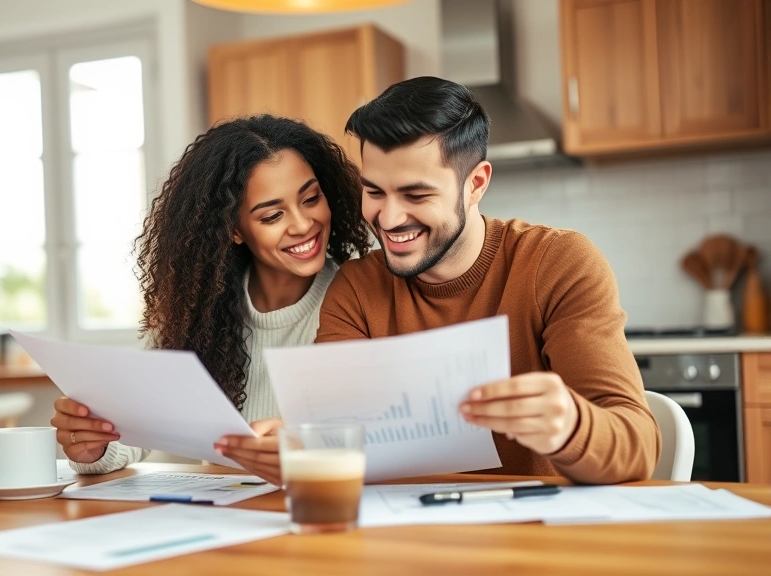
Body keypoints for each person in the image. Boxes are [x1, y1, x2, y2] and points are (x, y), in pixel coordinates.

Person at [218, 77, 660, 485]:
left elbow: (638, 446)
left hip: (534, 539)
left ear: (476, 184)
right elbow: (332, 435)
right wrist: (297, 448)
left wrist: (571, 424)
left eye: (416, 194)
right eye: (374, 192)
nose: (388, 219)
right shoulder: (357, 286)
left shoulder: (557, 263)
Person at [50, 115, 371, 483]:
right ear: (234, 229)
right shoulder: (202, 313)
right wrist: (95, 446)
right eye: (272, 215)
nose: (302, 224)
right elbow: (137, 423)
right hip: (226, 520)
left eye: (311, 198)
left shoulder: (357, 299)